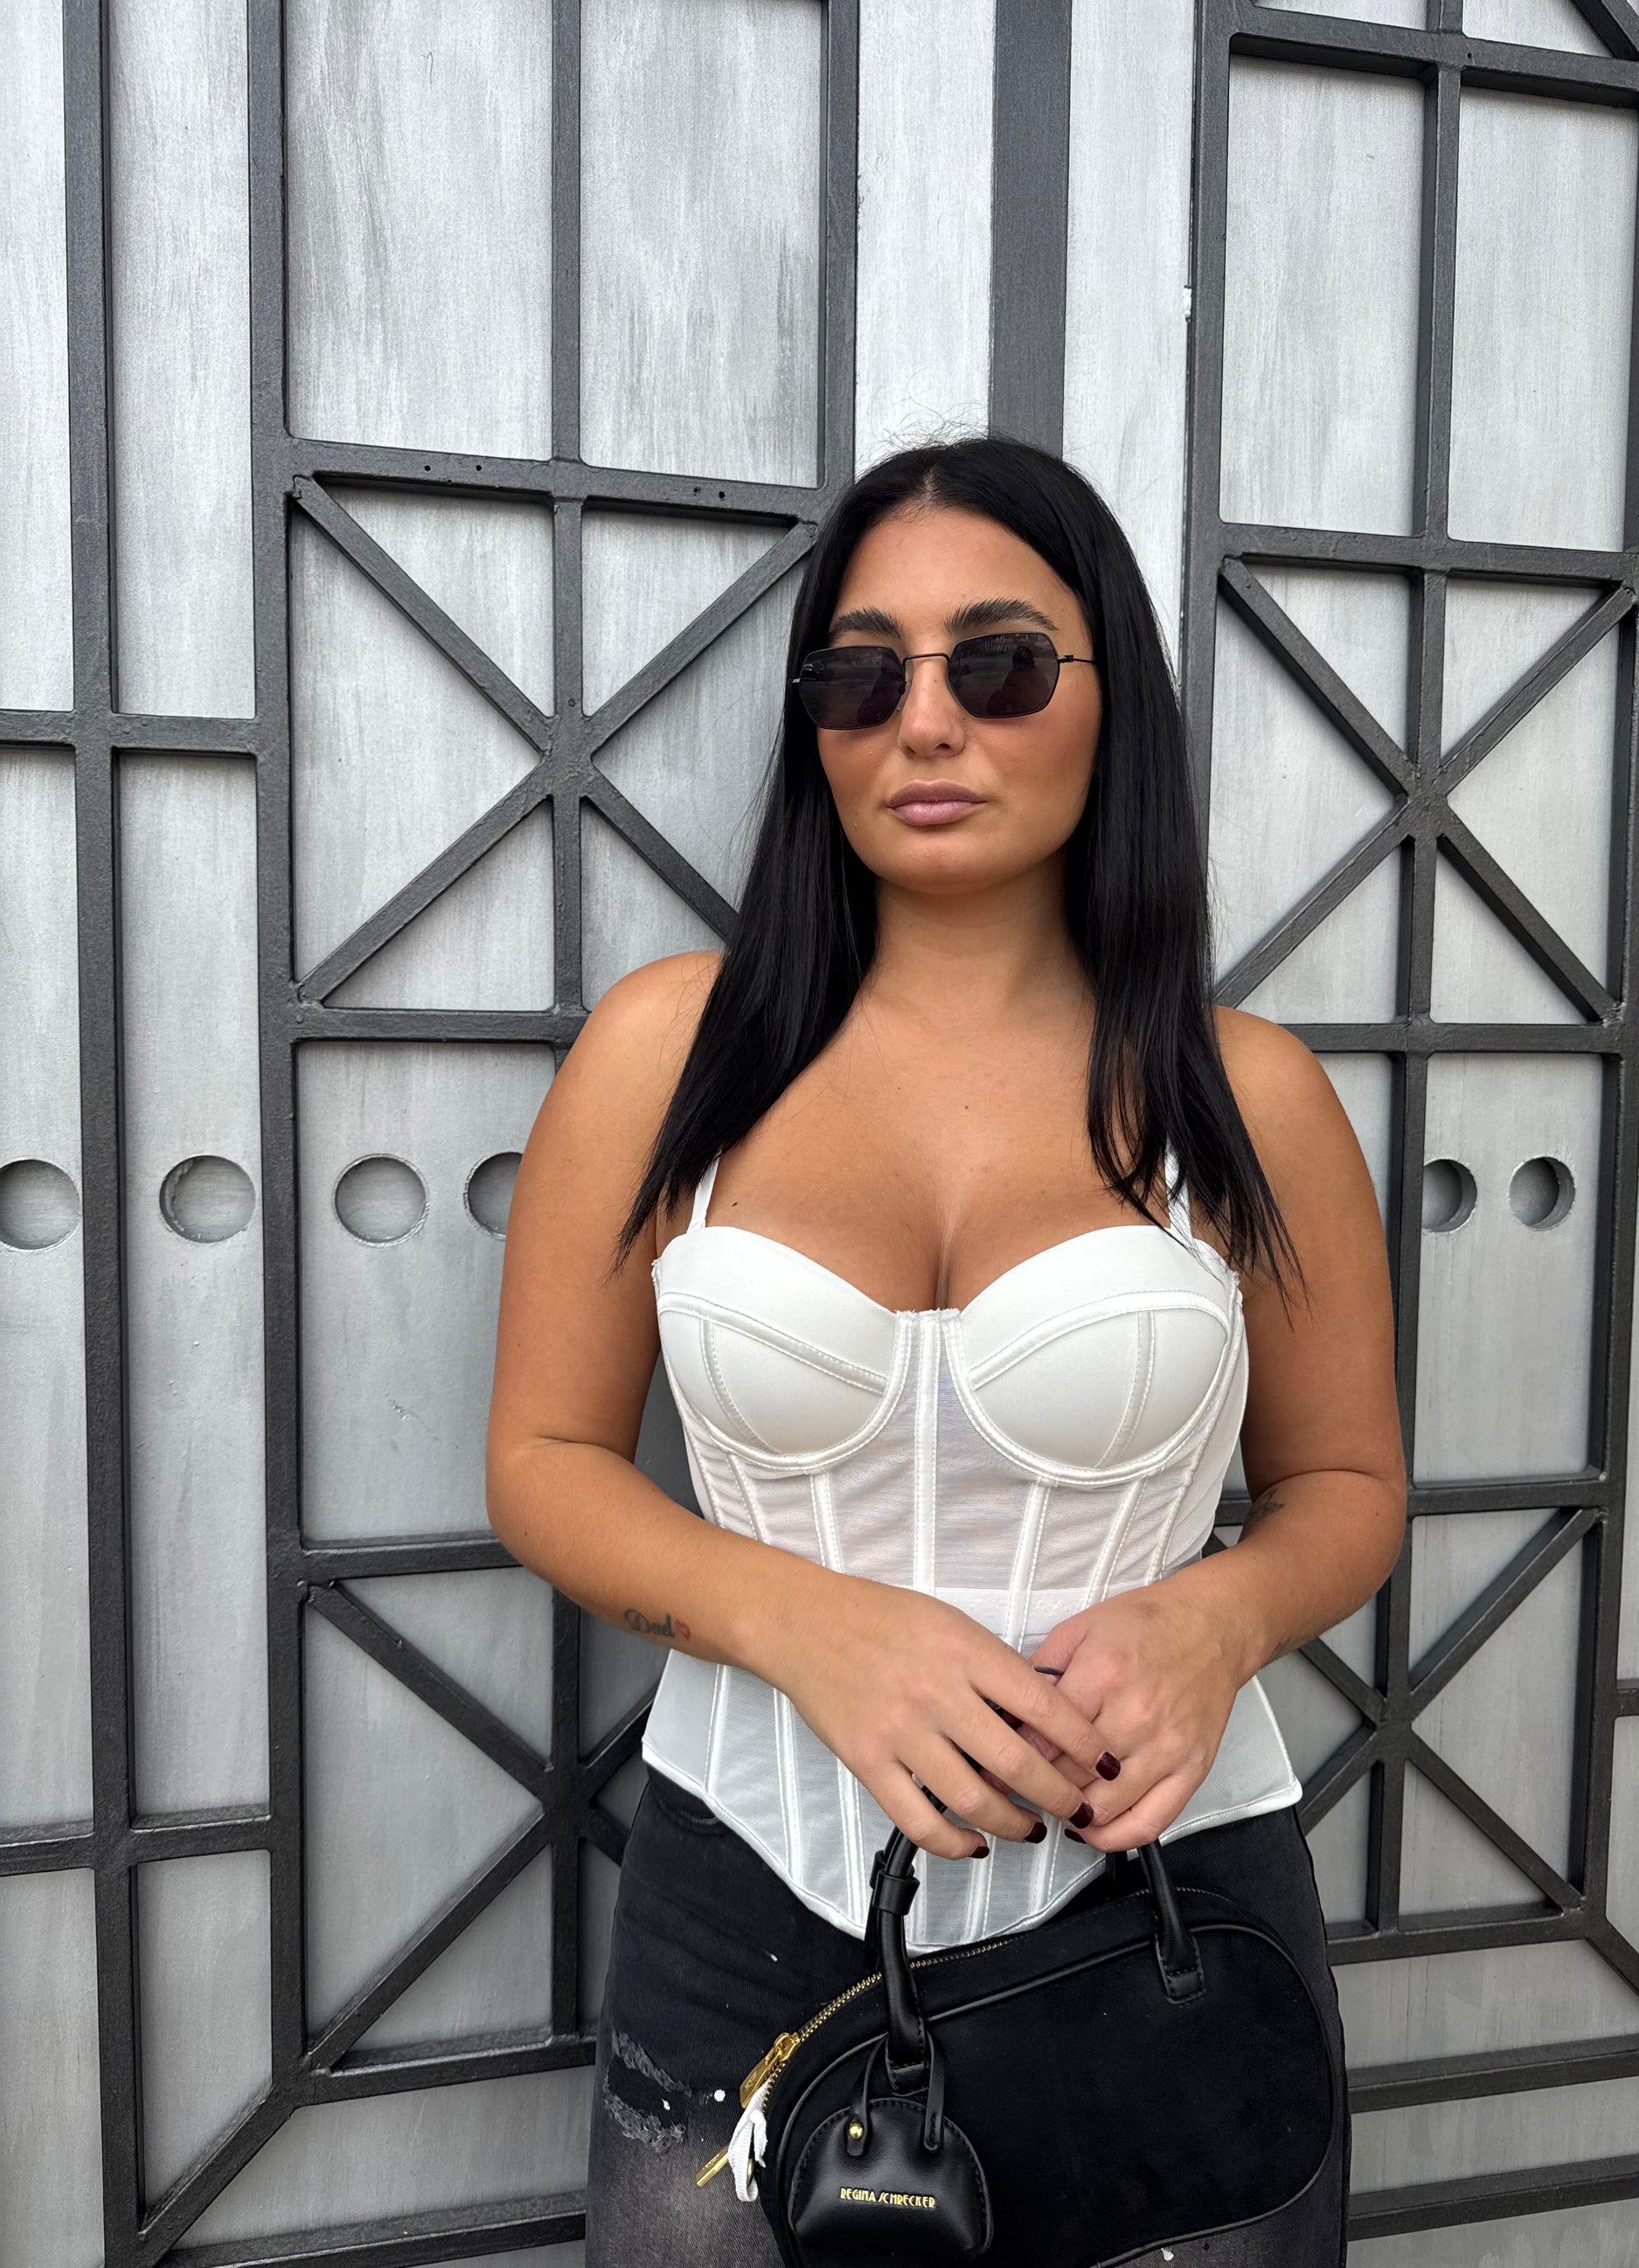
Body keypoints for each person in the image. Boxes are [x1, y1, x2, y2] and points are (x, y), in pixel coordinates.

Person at [485, 436, 1406, 2265]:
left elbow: (1348, 1484)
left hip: (1169, 1908)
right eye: (859, 674)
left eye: (997, 663)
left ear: (1109, 700)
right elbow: (543, 1463)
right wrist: (807, 1624)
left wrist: (1218, 1619)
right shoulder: (668, 1053)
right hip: (743, 1901)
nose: (923, 721)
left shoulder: (1249, 1096)